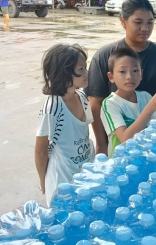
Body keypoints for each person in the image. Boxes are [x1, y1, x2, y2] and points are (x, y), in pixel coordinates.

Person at [85, 0, 156, 155]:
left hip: (151, 141)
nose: (145, 28)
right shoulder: (105, 55)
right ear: (123, 22)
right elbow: (95, 103)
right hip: (120, 139)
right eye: (138, 23)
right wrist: (101, 144)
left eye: (150, 22)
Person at [35, 43, 95, 206]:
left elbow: (83, 133)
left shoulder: (82, 97)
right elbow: (41, 151)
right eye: (81, 69)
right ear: (64, 73)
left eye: (85, 68)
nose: (86, 73)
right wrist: (43, 180)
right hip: (61, 180)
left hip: (83, 174)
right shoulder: (53, 107)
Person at [100, 47, 156, 156]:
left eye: (135, 71)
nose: (129, 77)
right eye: (122, 71)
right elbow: (125, 139)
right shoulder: (110, 104)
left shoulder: (145, 96)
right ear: (111, 77)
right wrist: (150, 108)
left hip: (145, 156)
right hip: (121, 162)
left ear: (141, 74)